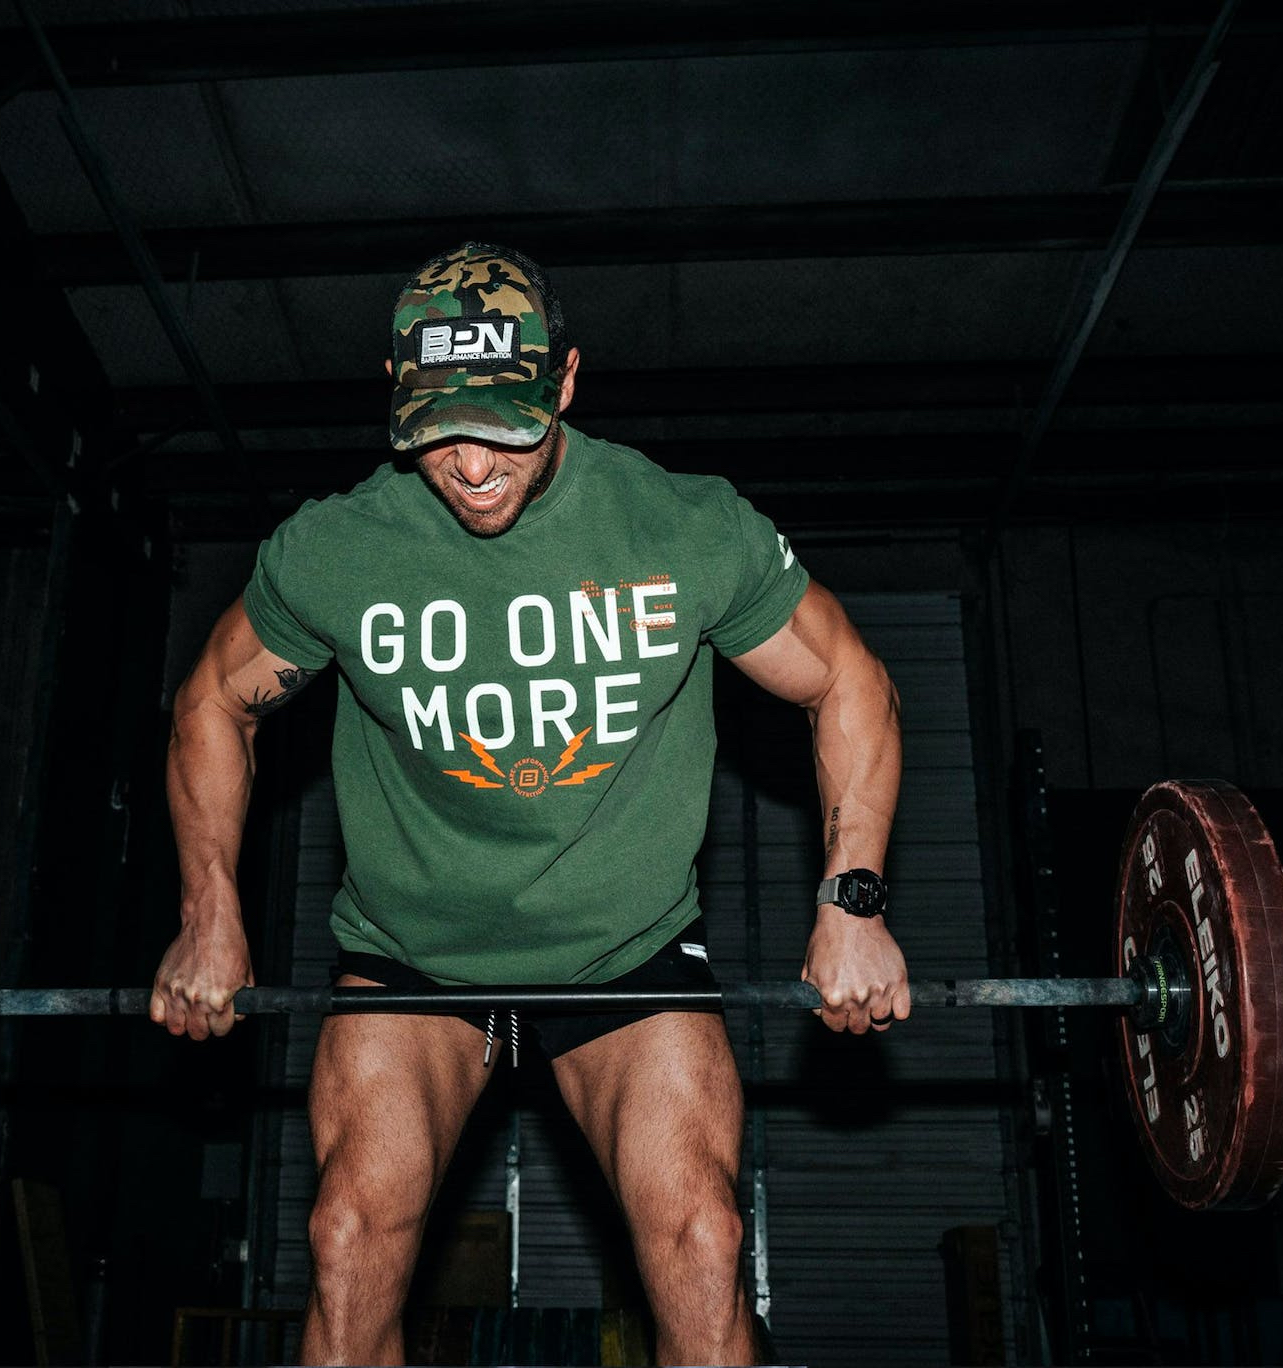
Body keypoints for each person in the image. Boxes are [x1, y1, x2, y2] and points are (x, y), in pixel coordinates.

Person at [153, 243, 908, 1366]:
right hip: (412, 963)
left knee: (702, 1243)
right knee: (349, 1236)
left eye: (504, 424)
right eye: (440, 429)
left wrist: (852, 900)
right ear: (395, 397)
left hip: (625, 956)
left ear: (562, 383)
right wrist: (208, 909)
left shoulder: (679, 530)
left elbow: (849, 680)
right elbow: (213, 703)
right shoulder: (339, 550)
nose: (468, 466)